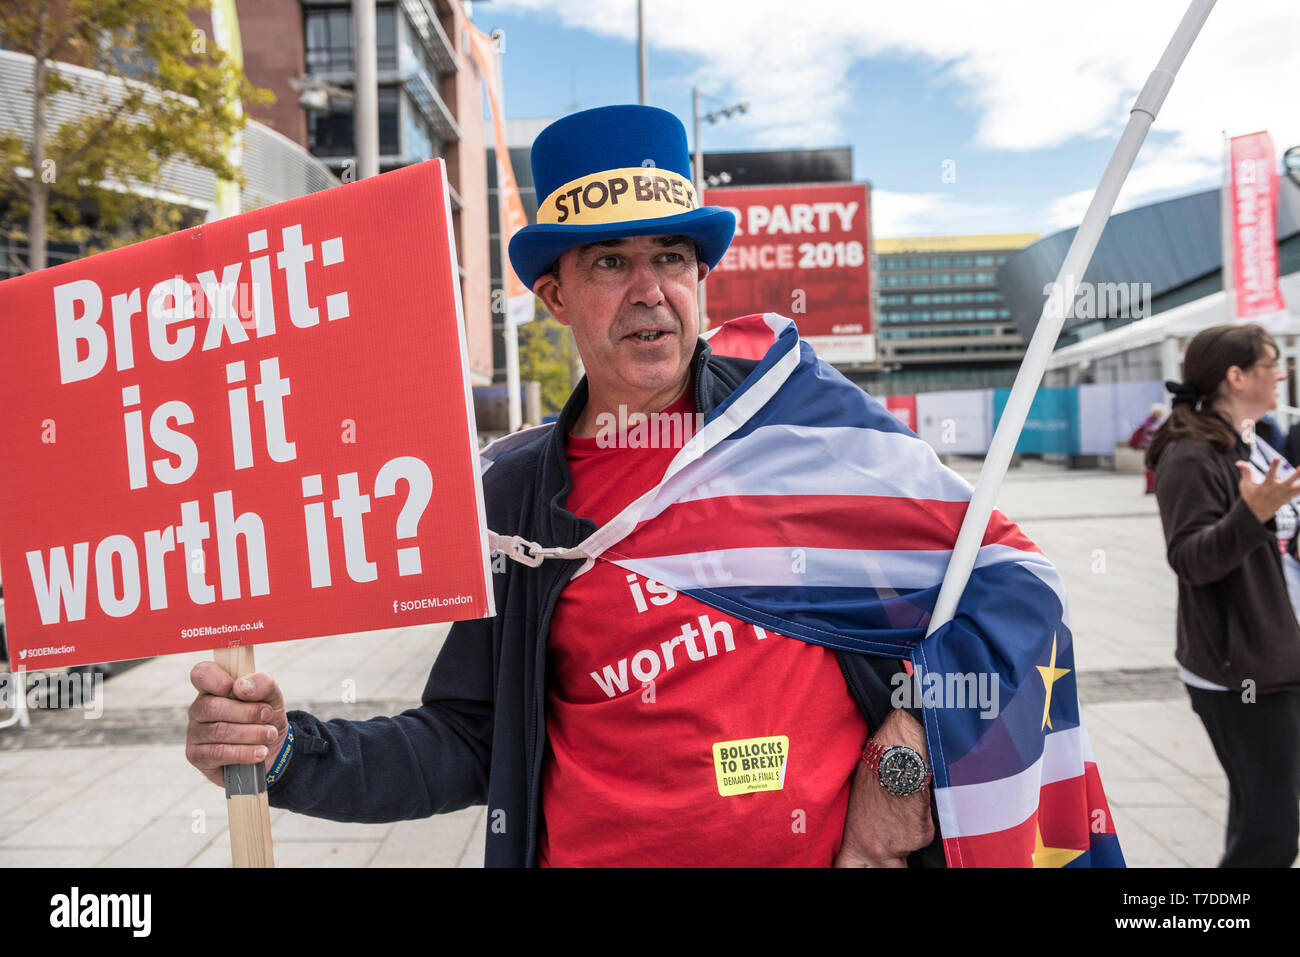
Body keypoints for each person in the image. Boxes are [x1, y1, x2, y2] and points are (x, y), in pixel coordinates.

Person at [185, 106, 1094, 867]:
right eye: (609, 262)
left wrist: (903, 763)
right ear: (556, 295)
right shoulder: (515, 495)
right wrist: (287, 752)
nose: (648, 289)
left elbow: (1016, 585)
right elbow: (469, 737)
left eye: (671, 256)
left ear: (704, 277)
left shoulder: (800, 429)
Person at [1146, 323, 1300, 867]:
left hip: (1272, 654)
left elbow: (1270, 540)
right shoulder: (1191, 452)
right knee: (1272, 834)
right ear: (1236, 377)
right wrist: (1252, 516)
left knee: (1259, 815)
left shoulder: (1246, 441)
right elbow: (1190, 558)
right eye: (1270, 364)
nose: (1280, 374)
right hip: (1242, 670)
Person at [1127, 402, 1167, 494]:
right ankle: (1152, 487)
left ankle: (1151, 487)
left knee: (1150, 467)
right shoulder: (1154, 423)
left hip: (1148, 448)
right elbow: (1152, 437)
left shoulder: (1148, 421)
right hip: (1152, 448)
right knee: (1152, 468)